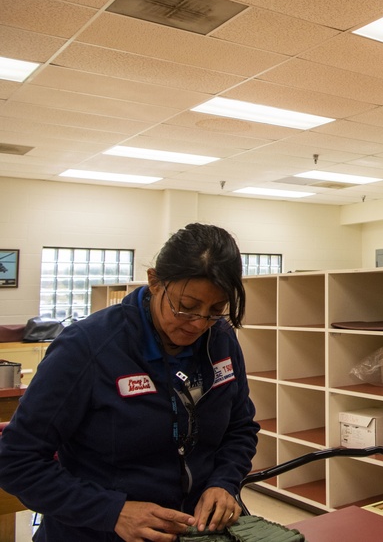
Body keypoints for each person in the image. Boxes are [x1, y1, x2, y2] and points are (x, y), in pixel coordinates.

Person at [0, 223, 259, 542]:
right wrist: (111, 511)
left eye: (215, 311)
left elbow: (240, 427)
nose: (198, 323)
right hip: (93, 533)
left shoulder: (220, 340)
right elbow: (16, 461)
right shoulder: (87, 348)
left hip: (193, 532)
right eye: (186, 307)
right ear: (154, 282)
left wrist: (224, 481)